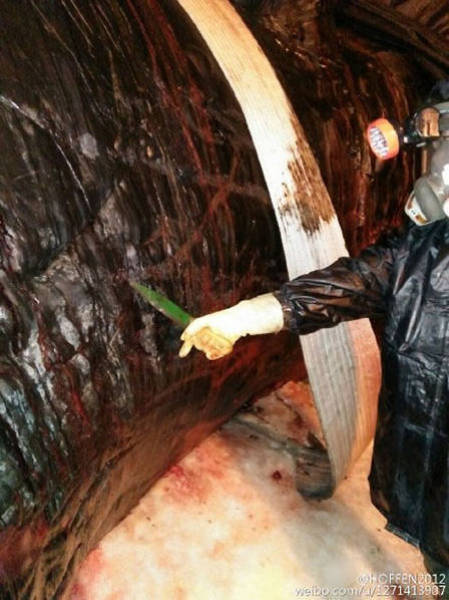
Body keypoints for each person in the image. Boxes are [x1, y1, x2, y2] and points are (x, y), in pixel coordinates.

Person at [179, 93, 449, 593]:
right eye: (439, 152)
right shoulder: (418, 254)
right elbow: (339, 287)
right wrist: (243, 317)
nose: (440, 171)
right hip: (426, 492)